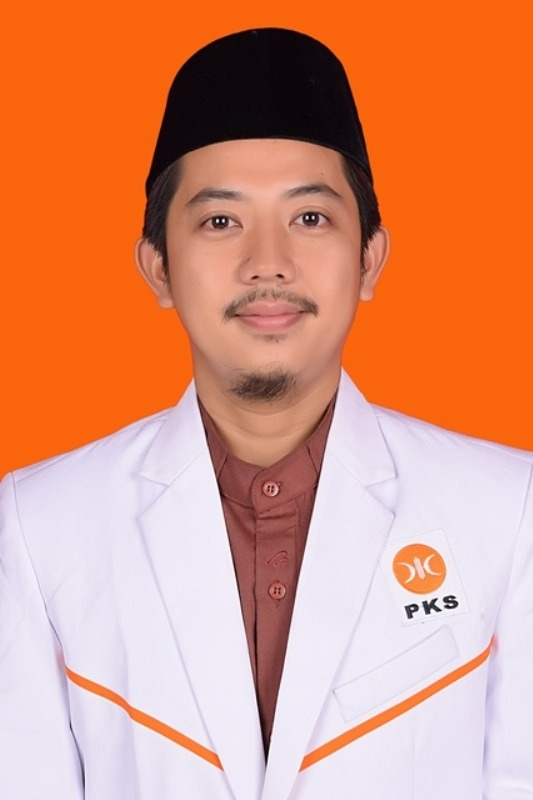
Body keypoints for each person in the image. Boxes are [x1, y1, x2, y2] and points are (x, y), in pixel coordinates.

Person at [0, 27, 531, 800]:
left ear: (369, 259)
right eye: (220, 221)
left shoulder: (508, 509)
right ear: (158, 268)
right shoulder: (38, 523)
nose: (268, 263)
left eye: (309, 218)